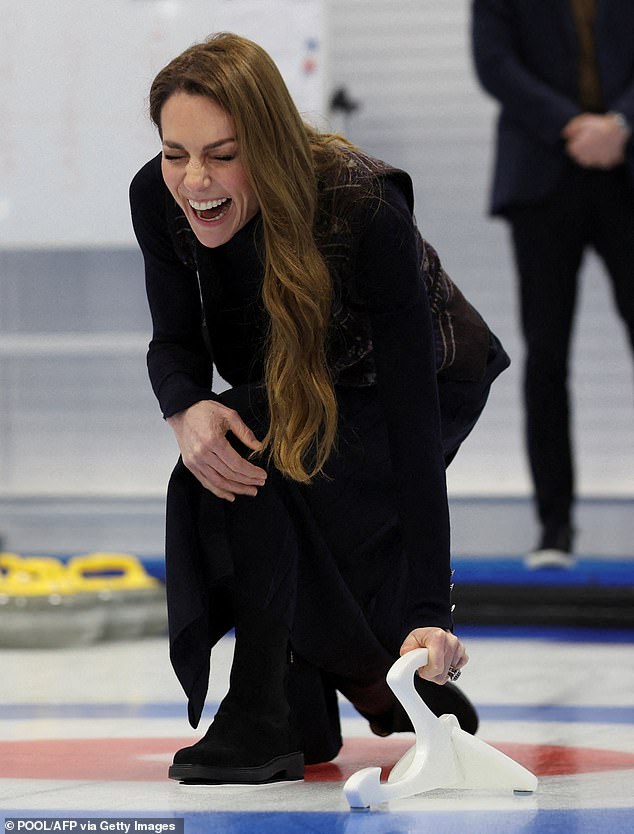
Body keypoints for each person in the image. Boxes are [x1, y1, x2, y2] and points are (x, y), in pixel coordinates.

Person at [129, 32, 509, 785]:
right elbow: (173, 342)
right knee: (222, 450)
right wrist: (186, 410)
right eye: (177, 153)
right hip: (289, 386)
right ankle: (324, 688)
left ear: (267, 144)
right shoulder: (158, 196)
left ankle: (268, 705)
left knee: (262, 443)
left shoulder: (361, 202)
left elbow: (410, 413)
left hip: (426, 383)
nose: (195, 179)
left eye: (222, 153)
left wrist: (432, 609)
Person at [471, 1, 634, 569]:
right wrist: (570, 125)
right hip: (542, 174)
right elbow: (494, 64)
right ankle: (554, 526)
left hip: (626, 167)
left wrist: (619, 124)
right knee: (545, 355)